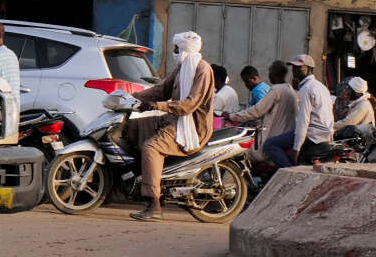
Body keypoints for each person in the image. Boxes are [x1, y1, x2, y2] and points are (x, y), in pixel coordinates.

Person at [124, 31, 215, 222]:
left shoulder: (202, 70)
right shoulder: (183, 67)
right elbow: (161, 90)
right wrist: (128, 98)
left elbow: (189, 105)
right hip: (174, 119)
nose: (173, 51)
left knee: (151, 147)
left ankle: (154, 203)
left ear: (183, 49)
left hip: (191, 127)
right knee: (131, 127)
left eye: (176, 48)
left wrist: (157, 106)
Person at [263, 54, 334, 168]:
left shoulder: (307, 89)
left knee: (270, 144)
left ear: (309, 69)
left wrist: (296, 149)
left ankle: (289, 173)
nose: (295, 70)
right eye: (294, 67)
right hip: (324, 133)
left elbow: (303, 121)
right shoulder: (320, 86)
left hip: (312, 135)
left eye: (299, 67)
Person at [229, 60, 297, 165]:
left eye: (270, 73)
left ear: (274, 74)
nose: (269, 76)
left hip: (273, 134)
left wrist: (232, 116)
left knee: (242, 152)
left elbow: (257, 111)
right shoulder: (290, 89)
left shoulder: (276, 90)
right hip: (283, 133)